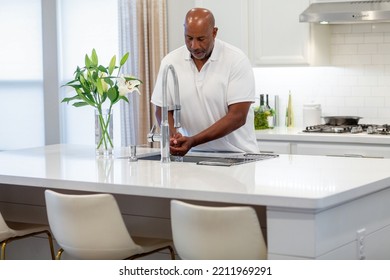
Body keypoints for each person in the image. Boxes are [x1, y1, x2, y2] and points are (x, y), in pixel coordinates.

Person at [151, 7, 258, 156]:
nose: (194, 46)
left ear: (214, 33)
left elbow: (238, 117)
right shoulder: (170, 62)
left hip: (238, 155)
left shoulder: (236, 60)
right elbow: (162, 109)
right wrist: (174, 138)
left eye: (201, 39)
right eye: (189, 38)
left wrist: (193, 140)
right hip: (194, 154)